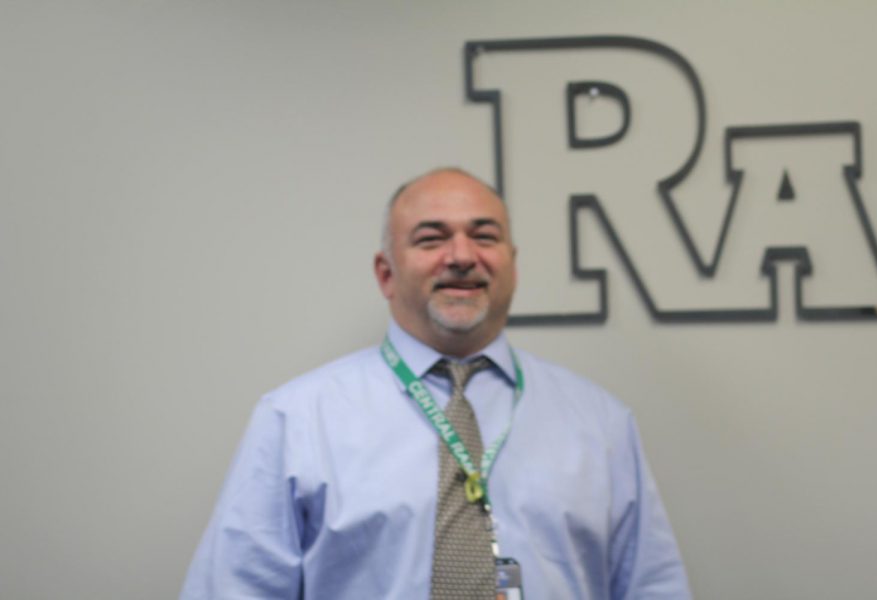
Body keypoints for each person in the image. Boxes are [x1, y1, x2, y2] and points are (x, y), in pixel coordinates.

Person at [181, 167, 692, 599]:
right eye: (431, 238)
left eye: (485, 236)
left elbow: (654, 589)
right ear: (385, 274)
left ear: (513, 266)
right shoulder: (297, 420)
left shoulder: (601, 424)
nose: (462, 255)